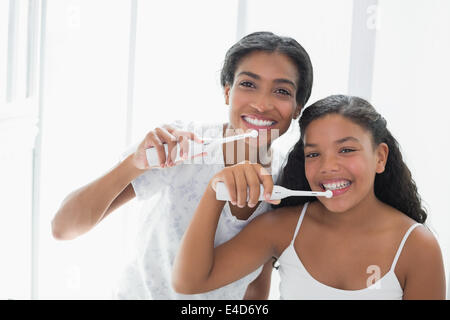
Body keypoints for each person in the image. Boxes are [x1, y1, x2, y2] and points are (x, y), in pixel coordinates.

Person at [51, 31, 314, 299]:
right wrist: (134, 163)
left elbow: (257, 281)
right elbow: (63, 228)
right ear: (227, 92)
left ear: (297, 108)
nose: (261, 104)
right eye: (248, 84)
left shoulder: (286, 178)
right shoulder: (181, 147)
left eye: (282, 91)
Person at [172, 94, 446, 299]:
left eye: (347, 150)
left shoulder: (416, 246)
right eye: (313, 154)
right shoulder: (283, 228)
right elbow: (190, 282)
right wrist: (214, 192)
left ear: (380, 157)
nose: (328, 167)